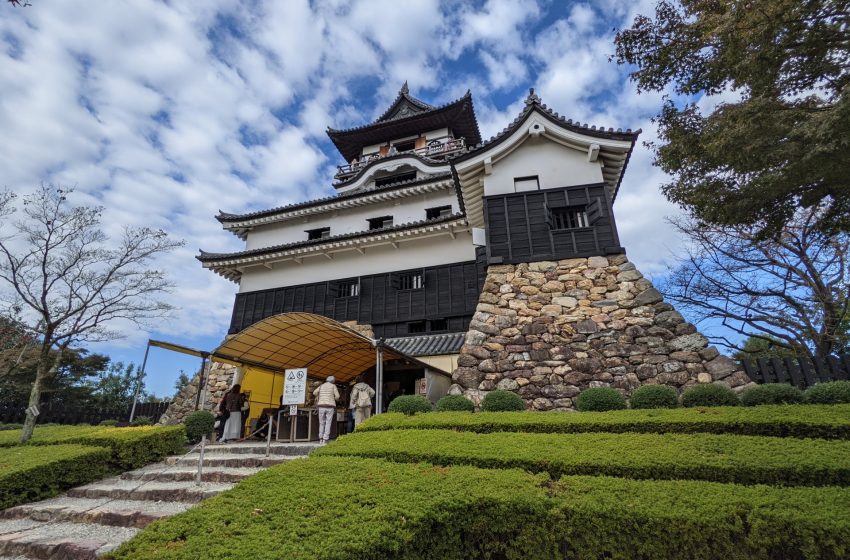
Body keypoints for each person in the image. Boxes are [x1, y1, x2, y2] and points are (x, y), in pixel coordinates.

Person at [312, 375, 339, 444]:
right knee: (328, 422)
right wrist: (334, 398)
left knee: (321, 422)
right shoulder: (333, 386)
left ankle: (320, 438)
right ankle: (325, 439)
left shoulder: (321, 386)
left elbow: (314, 392)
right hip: (330, 406)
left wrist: (320, 396)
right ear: (333, 381)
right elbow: (337, 396)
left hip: (321, 406)